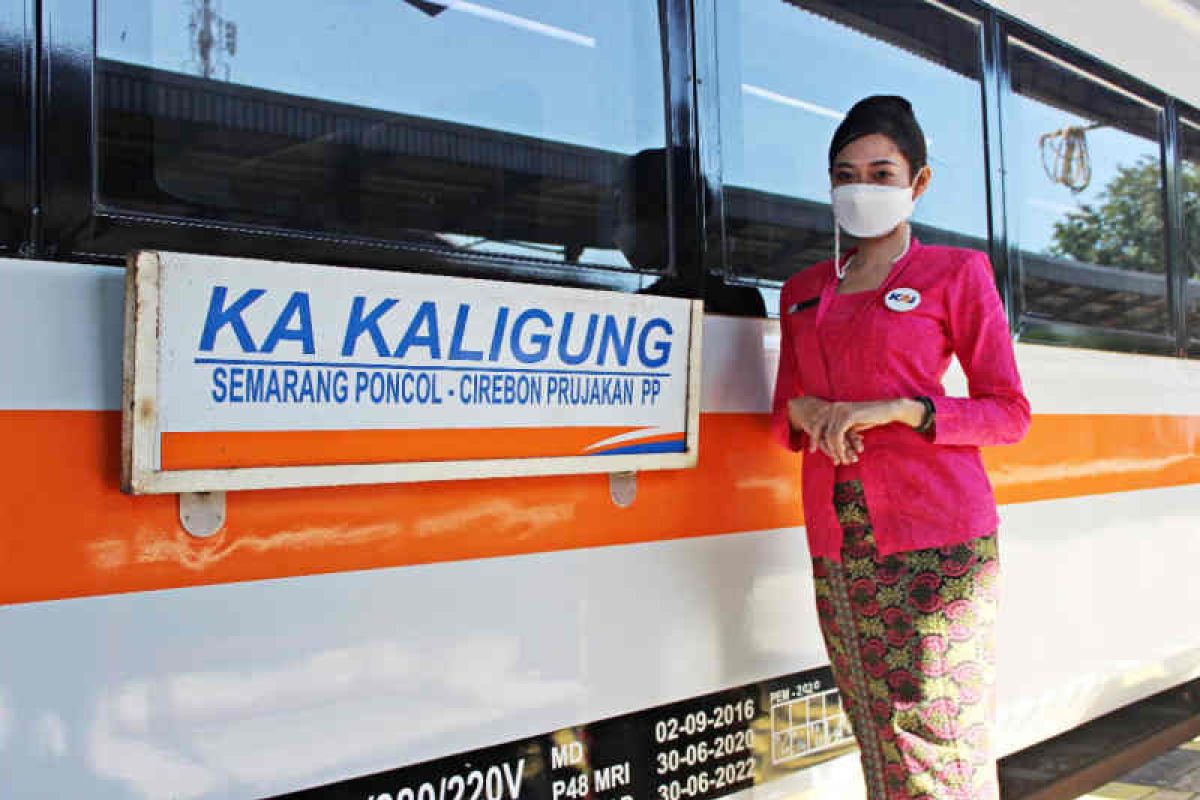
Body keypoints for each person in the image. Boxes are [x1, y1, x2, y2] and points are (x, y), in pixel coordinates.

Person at [771, 95, 1030, 799]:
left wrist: (904, 409)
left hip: (938, 539)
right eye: (846, 172)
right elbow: (785, 413)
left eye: (882, 172)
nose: (863, 187)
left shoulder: (957, 273)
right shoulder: (802, 292)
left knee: (939, 739)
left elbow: (1009, 413)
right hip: (839, 536)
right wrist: (809, 408)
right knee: (876, 728)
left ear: (918, 184)